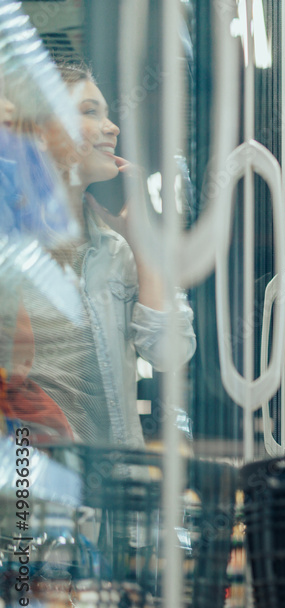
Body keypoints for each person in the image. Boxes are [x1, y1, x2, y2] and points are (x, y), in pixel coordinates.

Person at [13, 62, 196, 447]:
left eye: (107, 114)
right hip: (28, 487)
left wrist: (143, 243)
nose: (112, 128)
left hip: (110, 488)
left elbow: (170, 351)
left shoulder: (117, 252)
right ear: (40, 133)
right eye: (90, 112)